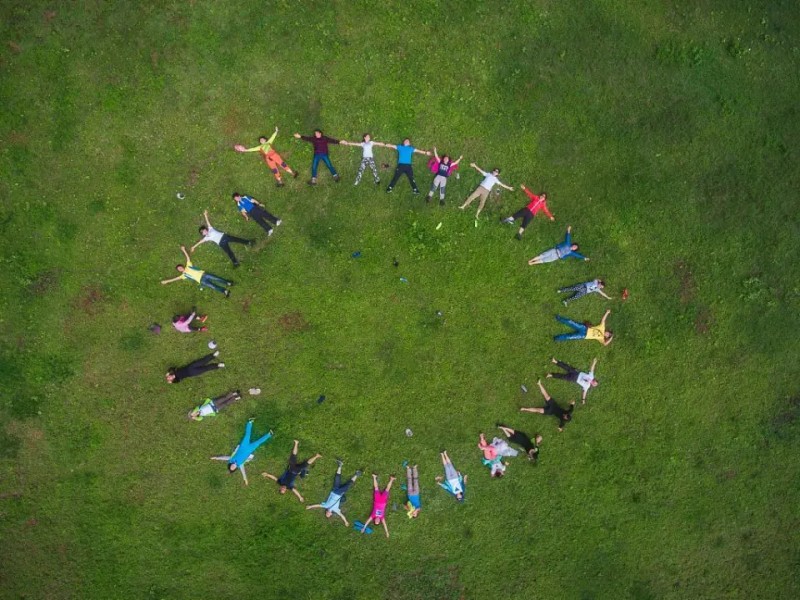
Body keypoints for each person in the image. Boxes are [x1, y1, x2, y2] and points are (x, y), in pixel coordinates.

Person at [210, 418, 273, 486]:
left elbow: (224, 458)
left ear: (230, 464)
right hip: (250, 449)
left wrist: (216, 458)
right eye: (233, 468)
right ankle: (269, 434)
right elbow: (243, 473)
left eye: (231, 466)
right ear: (235, 468)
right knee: (258, 442)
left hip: (243, 445)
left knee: (247, 435)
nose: (233, 466)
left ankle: (250, 422)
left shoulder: (231, 459)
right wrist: (245, 479)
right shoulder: (240, 464)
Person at [234, 127, 298, 187]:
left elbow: (272, 137)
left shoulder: (268, 142)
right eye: (260, 140)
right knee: (274, 169)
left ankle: (293, 173)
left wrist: (276, 131)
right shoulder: (259, 147)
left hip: (274, 155)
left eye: (262, 139)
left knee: (282, 164)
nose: (261, 140)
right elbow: (253, 149)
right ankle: (280, 182)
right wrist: (245, 150)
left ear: (265, 140)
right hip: (268, 159)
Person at [306, 459, 363, 526]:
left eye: (326, 514)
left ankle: (340, 465)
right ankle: (357, 474)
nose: (327, 514)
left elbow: (318, 505)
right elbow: (341, 516)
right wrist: (345, 522)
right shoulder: (336, 510)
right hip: (339, 493)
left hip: (334, 490)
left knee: (337, 478)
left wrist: (310, 506)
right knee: (348, 484)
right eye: (328, 515)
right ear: (331, 514)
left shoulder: (325, 506)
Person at [160, 246, 232, 297]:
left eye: (180, 267)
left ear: (182, 266)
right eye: (179, 269)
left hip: (204, 274)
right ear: (179, 271)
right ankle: (225, 291)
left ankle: (228, 282)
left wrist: (184, 250)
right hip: (201, 281)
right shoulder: (183, 275)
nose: (180, 269)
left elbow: (187, 258)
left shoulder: (188, 265)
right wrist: (166, 281)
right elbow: (175, 279)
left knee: (216, 278)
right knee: (213, 286)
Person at [361, 473, 396, 538]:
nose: (377, 520)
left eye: (376, 521)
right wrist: (387, 532)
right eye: (378, 522)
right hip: (383, 501)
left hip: (377, 500)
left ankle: (374, 477)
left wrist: (364, 527)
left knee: (376, 488)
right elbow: (385, 525)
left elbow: (368, 521)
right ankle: (391, 479)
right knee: (387, 489)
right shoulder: (382, 517)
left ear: (374, 520)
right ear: (379, 521)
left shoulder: (373, 515)